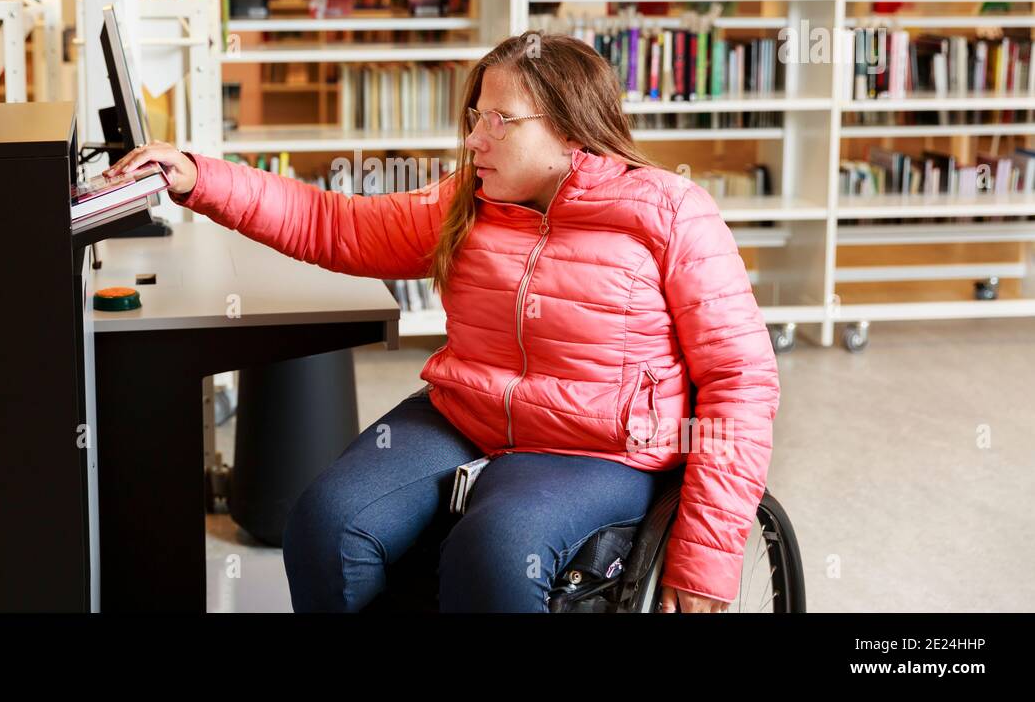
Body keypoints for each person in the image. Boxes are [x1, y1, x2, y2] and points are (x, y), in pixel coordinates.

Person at [107, 31, 781, 613]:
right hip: (469, 414)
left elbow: (740, 377)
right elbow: (331, 224)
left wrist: (707, 555)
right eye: (475, 117)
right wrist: (198, 178)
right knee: (326, 523)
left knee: (494, 551)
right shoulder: (468, 204)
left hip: (598, 445)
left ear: (571, 129)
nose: (473, 139)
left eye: (500, 121)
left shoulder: (671, 212)